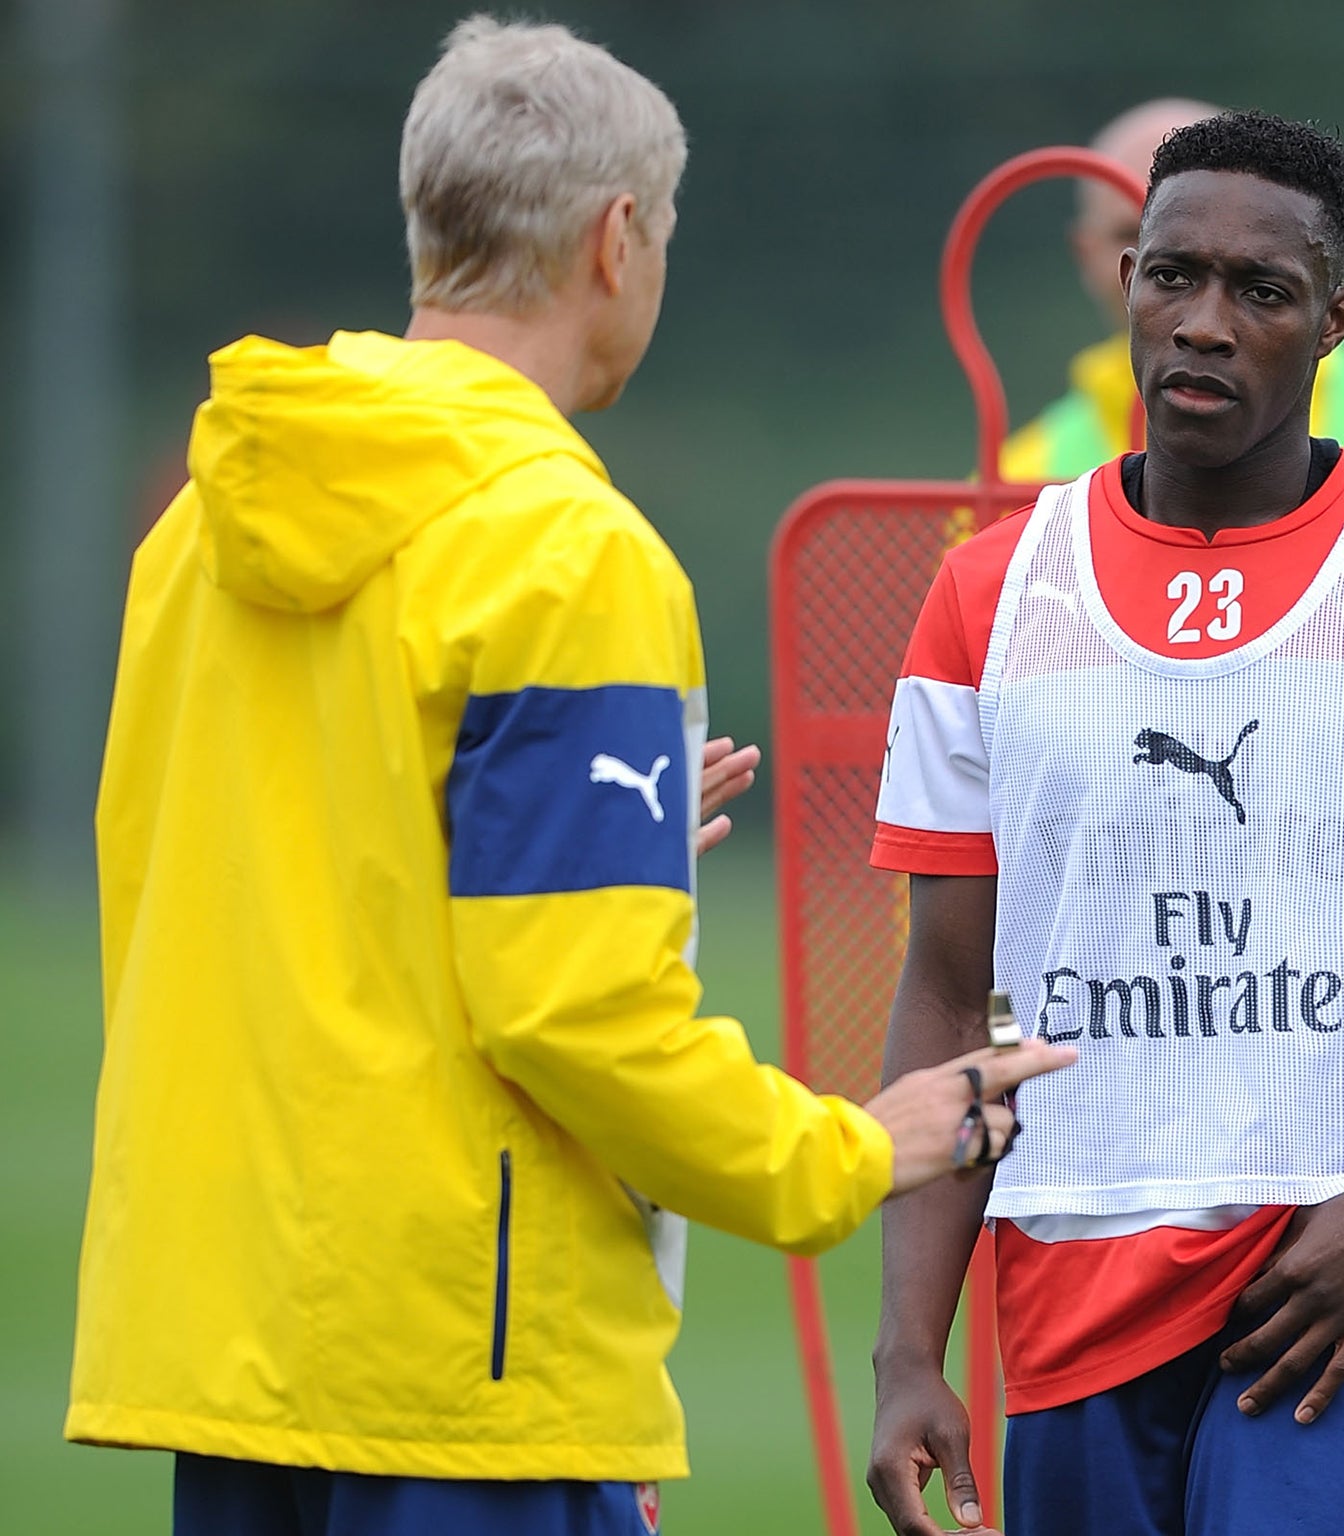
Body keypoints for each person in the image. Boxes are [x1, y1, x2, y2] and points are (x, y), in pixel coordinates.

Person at [67, 17, 1070, 1536]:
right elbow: (572, 1013)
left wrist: (606, 847)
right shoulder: (565, 549)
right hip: (467, 1383)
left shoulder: (196, 535)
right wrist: (856, 1148)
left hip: (236, 1352)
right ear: (618, 241)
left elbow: (237, 883)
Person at [865, 111, 1344, 1536]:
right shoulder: (987, 591)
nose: (1203, 325)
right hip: (1068, 1283)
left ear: (1334, 321)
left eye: (1259, 294)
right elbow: (948, 986)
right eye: (1172, 277)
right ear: (1126, 286)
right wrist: (911, 1347)